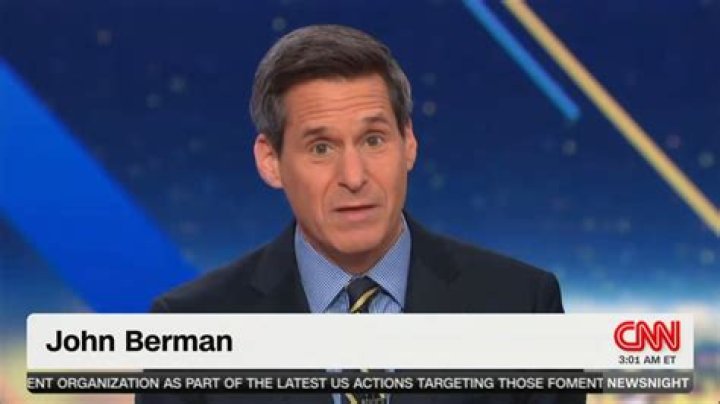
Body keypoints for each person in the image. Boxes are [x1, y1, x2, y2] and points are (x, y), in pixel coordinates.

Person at [136, 24, 583, 404]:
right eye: (321, 148)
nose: (353, 176)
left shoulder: (523, 305)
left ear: (408, 144)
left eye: (373, 140)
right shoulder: (191, 328)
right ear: (271, 161)